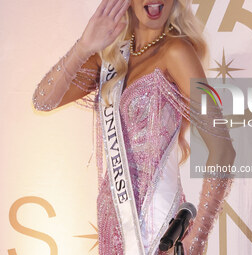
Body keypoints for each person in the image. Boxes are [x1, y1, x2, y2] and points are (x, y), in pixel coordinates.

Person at [32, 0, 236, 254]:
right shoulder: (109, 57)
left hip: (160, 222)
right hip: (113, 217)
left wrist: (198, 236)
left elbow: (223, 149)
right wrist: (83, 47)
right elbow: (43, 101)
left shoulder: (177, 51)